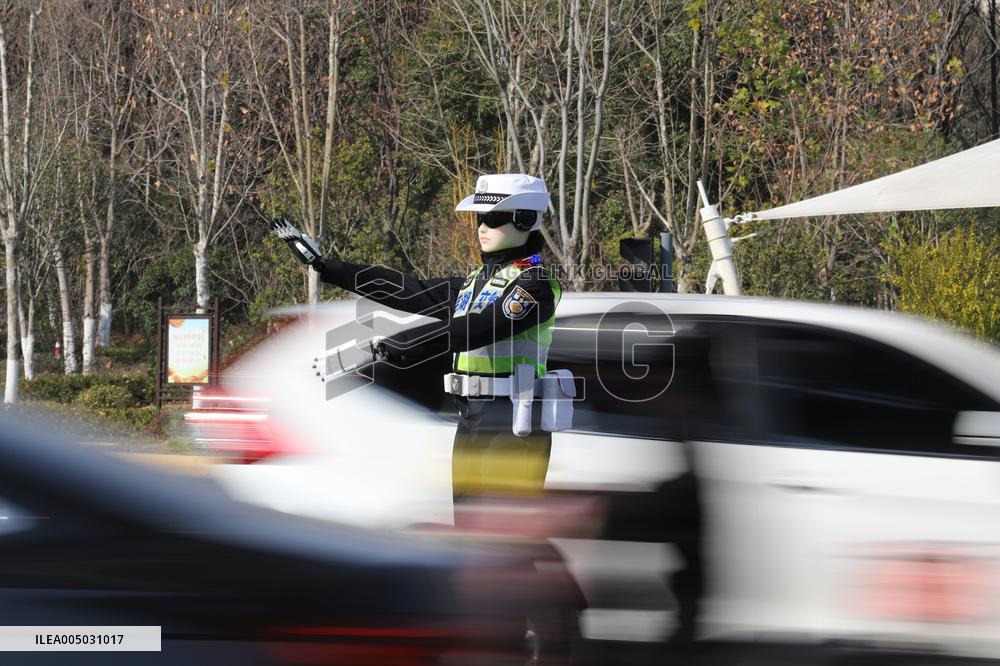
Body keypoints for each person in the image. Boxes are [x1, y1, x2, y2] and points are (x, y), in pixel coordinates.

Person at [272, 173, 562, 499]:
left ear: (524, 220)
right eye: (480, 217)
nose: (481, 227)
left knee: (506, 536)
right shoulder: (475, 281)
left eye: (493, 218)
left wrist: (402, 344)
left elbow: (477, 329)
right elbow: (408, 290)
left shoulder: (535, 284)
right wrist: (327, 267)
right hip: (471, 418)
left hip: (512, 423)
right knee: (468, 537)